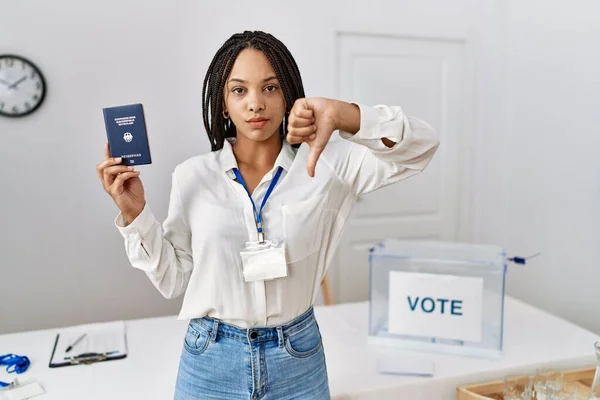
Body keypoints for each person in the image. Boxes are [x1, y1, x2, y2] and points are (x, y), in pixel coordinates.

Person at [96, 30, 439, 400]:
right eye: (239, 90)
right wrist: (135, 216)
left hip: (297, 358)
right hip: (210, 360)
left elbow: (420, 148)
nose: (255, 103)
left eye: (270, 88)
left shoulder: (329, 164)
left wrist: (345, 115)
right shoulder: (192, 175)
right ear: (224, 103)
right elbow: (173, 280)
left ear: (288, 95)